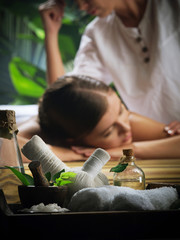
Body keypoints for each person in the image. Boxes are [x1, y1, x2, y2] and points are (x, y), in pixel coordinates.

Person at [39, 0, 180, 124]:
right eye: (76, 1)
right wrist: (51, 33)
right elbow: (63, 101)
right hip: (158, 137)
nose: (82, 7)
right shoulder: (98, 33)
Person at [18, 75, 180, 160]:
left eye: (122, 110)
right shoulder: (42, 129)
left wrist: (122, 151)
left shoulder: (123, 121)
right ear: (73, 141)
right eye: (109, 132)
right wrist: (73, 155)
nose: (125, 128)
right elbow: (6, 147)